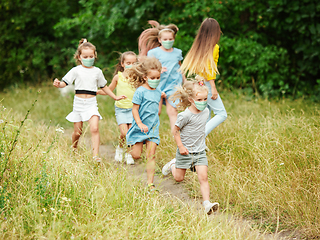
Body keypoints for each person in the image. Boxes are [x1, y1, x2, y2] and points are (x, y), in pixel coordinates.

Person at [53, 38, 126, 162]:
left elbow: (104, 87)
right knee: (78, 132)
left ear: (94, 56)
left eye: (91, 56)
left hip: (92, 104)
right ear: (79, 57)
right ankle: (74, 147)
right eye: (85, 57)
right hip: (79, 104)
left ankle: (95, 156)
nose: (88, 59)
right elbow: (64, 83)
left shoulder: (97, 72)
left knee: (94, 128)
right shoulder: (76, 70)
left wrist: (114, 97)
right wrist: (58, 83)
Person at [162, 80, 219, 214]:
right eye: (199, 99)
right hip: (185, 152)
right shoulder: (184, 115)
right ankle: (172, 165)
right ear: (191, 99)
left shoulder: (205, 111)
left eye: (205, 98)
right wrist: (180, 146)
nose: (203, 101)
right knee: (179, 178)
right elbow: (175, 131)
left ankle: (206, 204)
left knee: (203, 177)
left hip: (199, 152)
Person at [180, 18, 227, 136]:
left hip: (199, 81)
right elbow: (209, 68)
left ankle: (200, 144)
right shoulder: (214, 47)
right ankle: (200, 134)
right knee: (221, 114)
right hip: (207, 83)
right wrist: (213, 86)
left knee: (206, 113)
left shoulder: (199, 46)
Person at [138, 20, 185, 132]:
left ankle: (176, 138)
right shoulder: (154, 53)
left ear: (173, 39)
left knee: (173, 111)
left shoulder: (178, 52)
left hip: (173, 86)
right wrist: (158, 69)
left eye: (170, 39)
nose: (168, 41)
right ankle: (149, 134)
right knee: (156, 112)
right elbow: (148, 68)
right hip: (157, 86)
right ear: (160, 40)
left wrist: (185, 81)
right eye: (165, 39)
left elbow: (180, 68)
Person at [125, 57, 162, 190]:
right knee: (136, 155)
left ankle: (150, 184)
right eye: (153, 78)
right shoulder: (140, 91)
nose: (156, 80)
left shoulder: (158, 91)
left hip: (153, 129)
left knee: (151, 156)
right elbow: (134, 110)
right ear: (145, 77)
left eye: (158, 77)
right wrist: (140, 124)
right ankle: (128, 149)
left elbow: (157, 104)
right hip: (139, 128)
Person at [97, 51, 137, 164]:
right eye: (128, 62)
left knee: (131, 133)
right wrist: (99, 92)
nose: (131, 65)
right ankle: (120, 148)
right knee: (124, 133)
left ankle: (129, 154)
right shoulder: (117, 77)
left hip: (134, 109)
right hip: (121, 109)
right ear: (123, 64)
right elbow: (109, 89)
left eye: (134, 63)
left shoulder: (137, 77)